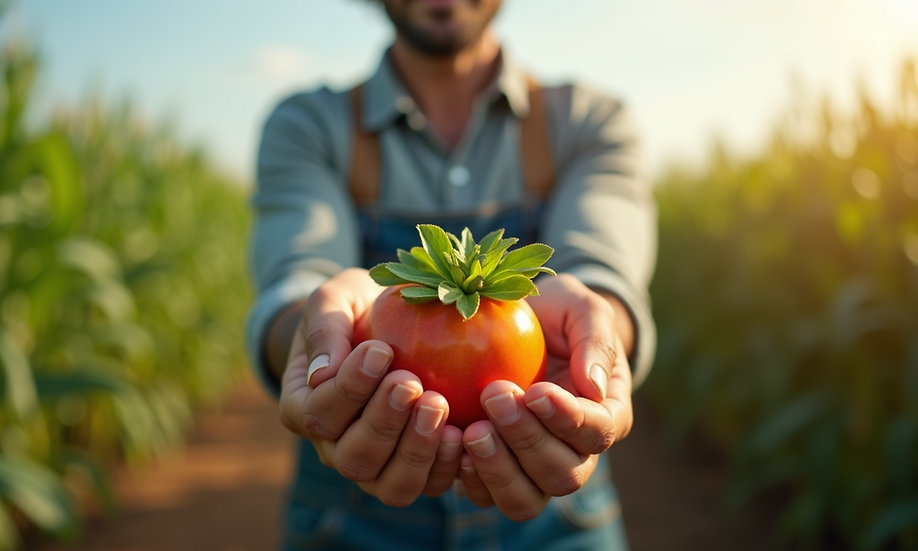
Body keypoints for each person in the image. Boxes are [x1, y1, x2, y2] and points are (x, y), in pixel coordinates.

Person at [246, 0, 657, 549]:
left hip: (556, 514)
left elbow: (602, 270)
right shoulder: (309, 126)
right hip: (349, 515)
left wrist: (596, 334)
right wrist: (312, 338)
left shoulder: (588, 121)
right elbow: (296, 277)